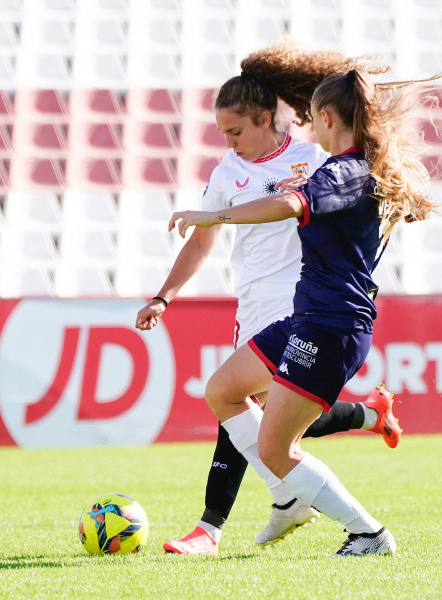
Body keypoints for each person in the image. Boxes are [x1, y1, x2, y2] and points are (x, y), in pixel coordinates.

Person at [135, 43, 402, 556]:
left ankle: (217, 527)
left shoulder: (320, 162)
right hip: (277, 307)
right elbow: (204, 240)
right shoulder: (232, 174)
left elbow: (303, 204)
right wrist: (165, 296)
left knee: (271, 432)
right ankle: (344, 442)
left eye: (235, 131)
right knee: (232, 398)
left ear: (265, 118)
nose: (230, 143)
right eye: (223, 135)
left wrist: (217, 215)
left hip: (313, 309)